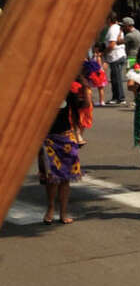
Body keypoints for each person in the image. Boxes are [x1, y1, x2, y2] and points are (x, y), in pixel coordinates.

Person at [40, 81, 90, 223]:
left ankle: (63, 212)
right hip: (47, 139)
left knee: (65, 178)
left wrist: (85, 87)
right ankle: (50, 209)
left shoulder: (68, 92)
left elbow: (84, 105)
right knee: (52, 178)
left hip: (66, 138)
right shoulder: (40, 93)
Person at [104, 10, 128, 105]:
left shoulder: (113, 29)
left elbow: (112, 44)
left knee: (116, 78)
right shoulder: (116, 27)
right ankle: (116, 97)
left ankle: (120, 98)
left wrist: (104, 53)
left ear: (109, 19)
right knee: (115, 77)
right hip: (117, 55)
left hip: (116, 56)